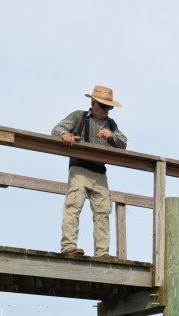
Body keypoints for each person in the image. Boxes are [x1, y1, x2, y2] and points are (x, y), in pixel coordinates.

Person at [52, 85, 127, 257]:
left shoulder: (111, 124)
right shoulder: (79, 116)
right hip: (79, 167)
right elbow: (57, 129)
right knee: (74, 205)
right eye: (103, 106)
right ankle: (69, 247)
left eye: (109, 107)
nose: (106, 110)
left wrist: (111, 136)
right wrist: (65, 136)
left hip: (100, 171)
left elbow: (123, 143)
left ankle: (102, 253)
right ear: (93, 103)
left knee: (103, 211)